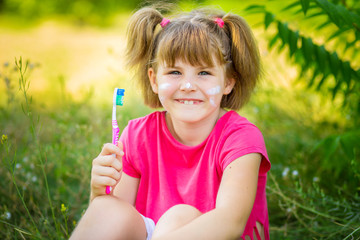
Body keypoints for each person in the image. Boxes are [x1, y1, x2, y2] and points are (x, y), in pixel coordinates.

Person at [70, 4, 271, 240]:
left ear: (228, 82)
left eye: (204, 73)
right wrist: (98, 193)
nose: (187, 85)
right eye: (175, 72)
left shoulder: (240, 138)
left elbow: (230, 222)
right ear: (154, 80)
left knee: (179, 215)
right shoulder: (138, 135)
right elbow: (118, 221)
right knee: (107, 208)